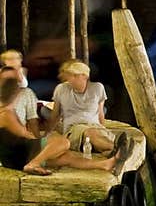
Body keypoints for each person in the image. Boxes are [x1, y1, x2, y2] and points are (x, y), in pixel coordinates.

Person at [0, 67, 131, 175]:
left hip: (19, 154)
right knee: (62, 142)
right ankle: (34, 164)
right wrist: (43, 137)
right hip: (20, 154)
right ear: (14, 94)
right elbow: (24, 134)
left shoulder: (7, 112)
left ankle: (105, 165)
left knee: (67, 158)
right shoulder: (6, 114)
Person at [48, 59, 125, 157]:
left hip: (94, 125)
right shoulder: (61, 89)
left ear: (85, 76)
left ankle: (112, 150)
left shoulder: (98, 88)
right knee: (90, 132)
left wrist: (103, 127)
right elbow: (55, 114)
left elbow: (100, 113)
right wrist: (48, 132)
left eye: (75, 75)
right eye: (70, 75)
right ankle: (119, 150)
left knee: (99, 134)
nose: (70, 78)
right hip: (74, 128)